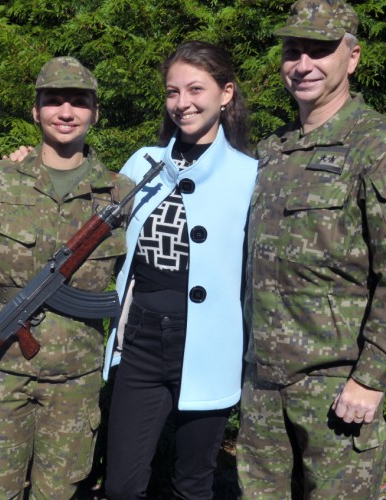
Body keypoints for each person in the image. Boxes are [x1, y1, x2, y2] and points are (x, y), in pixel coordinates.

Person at [237, 1, 386, 498]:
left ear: (351, 58)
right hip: (262, 386)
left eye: (319, 51)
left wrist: (371, 378)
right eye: (293, 51)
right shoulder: (273, 150)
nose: (303, 64)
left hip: (336, 390)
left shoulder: (381, 148)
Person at [0, 56, 135, 499]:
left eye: (78, 101)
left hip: (76, 380)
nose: (66, 111)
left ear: (94, 113)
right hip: (2, 372)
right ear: (35, 112)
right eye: (53, 101)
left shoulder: (120, 193)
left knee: (60, 492)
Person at [101, 41, 257, 500]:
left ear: (226, 93)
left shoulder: (252, 174)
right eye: (172, 92)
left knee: (194, 483)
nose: (182, 103)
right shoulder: (143, 162)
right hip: (142, 339)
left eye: (195, 89)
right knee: (121, 485)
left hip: (210, 343)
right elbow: (91, 223)